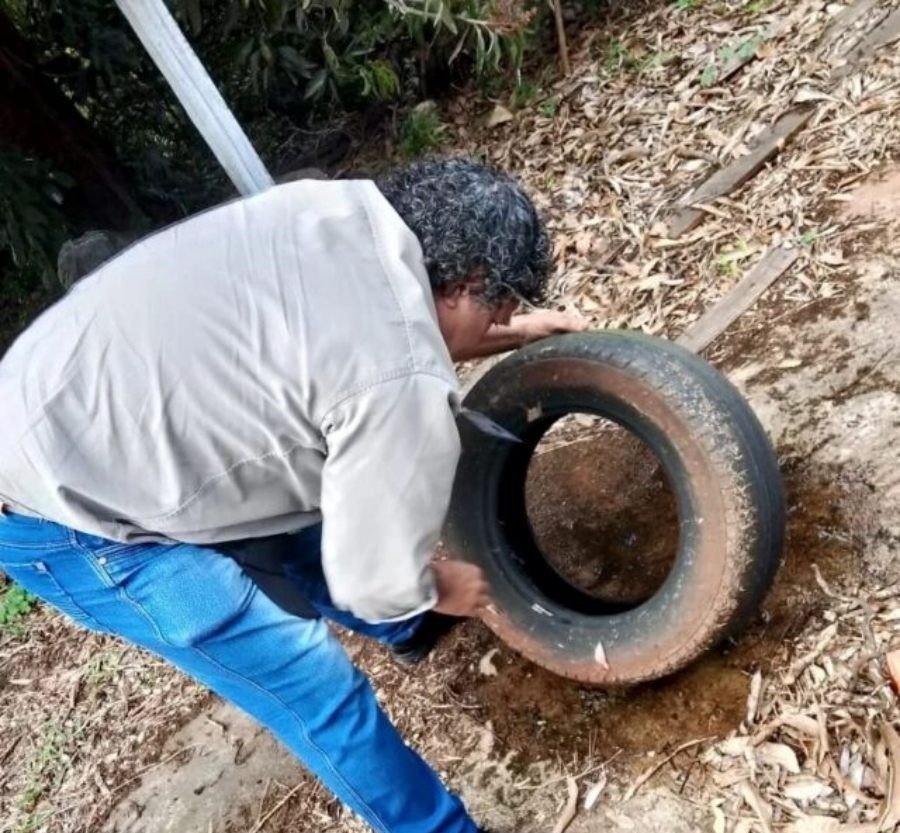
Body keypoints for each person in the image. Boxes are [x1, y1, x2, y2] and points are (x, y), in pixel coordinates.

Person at [0, 158, 586, 833]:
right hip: (62, 515)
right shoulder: (394, 382)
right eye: (502, 305)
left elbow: (388, 331)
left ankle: (408, 633)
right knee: (316, 688)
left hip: (69, 395)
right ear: (463, 283)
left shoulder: (336, 211)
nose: (505, 316)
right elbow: (374, 572)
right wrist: (430, 584)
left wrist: (512, 332)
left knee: (301, 512)